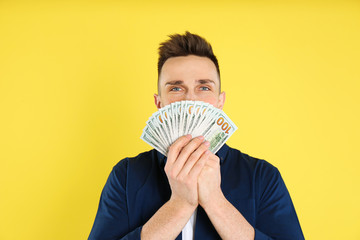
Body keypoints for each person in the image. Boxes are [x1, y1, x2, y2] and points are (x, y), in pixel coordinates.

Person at [88, 32, 304, 240]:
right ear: (159, 103)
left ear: (220, 101)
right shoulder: (126, 176)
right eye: (175, 89)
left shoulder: (262, 176)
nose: (190, 100)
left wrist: (215, 202)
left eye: (203, 87)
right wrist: (179, 205)